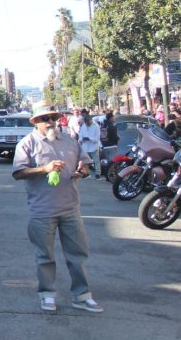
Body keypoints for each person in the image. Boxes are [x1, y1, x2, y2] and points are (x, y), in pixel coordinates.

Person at [12, 102, 102, 314]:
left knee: (78, 255)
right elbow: (18, 173)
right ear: (36, 122)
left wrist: (83, 170)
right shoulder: (27, 144)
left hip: (70, 207)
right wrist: (45, 168)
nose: (50, 122)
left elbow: (85, 164)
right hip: (42, 211)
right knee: (45, 256)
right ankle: (47, 294)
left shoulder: (70, 141)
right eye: (45, 119)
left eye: (53, 117)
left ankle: (82, 295)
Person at [77, 110, 102, 180]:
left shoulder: (96, 126)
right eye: (86, 123)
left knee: (96, 161)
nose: (88, 124)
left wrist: (90, 139)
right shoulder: (83, 126)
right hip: (85, 146)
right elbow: (80, 135)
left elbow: (97, 138)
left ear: (91, 121)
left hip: (93, 146)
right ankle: (86, 173)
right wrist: (82, 139)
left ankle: (98, 174)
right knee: (85, 161)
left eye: (89, 122)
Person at [100, 110, 119, 178]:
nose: (115, 118)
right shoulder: (112, 126)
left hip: (105, 146)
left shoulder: (103, 126)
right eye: (114, 117)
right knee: (113, 162)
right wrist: (118, 138)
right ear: (111, 118)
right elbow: (114, 137)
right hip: (112, 146)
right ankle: (111, 175)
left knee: (108, 162)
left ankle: (107, 175)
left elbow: (101, 136)